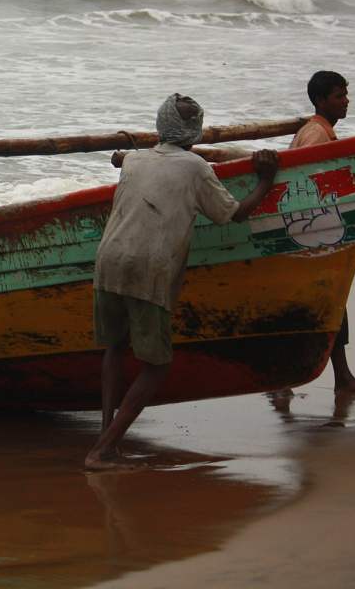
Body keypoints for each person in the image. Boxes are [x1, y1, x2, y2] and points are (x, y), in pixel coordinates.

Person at [85, 94, 280, 470]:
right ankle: (102, 450)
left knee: (114, 347)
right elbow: (234, 214)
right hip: (149, 268)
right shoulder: (196, 168)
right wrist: (266, 179)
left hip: (108, 259)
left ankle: (106, 435)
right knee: (156, 366)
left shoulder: (135, 159)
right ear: (195, 132)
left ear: (160, 126)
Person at [287, 71, 355, 394]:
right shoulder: (316, 134)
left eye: (346, 95)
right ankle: (302, 380)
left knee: (329, 304)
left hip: (314, 232)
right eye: (339, 96)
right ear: (320, 101)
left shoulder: (319, 130)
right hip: (310, 233)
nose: (346, 101)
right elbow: (304, 183)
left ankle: (339, 377)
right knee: (320, 305)